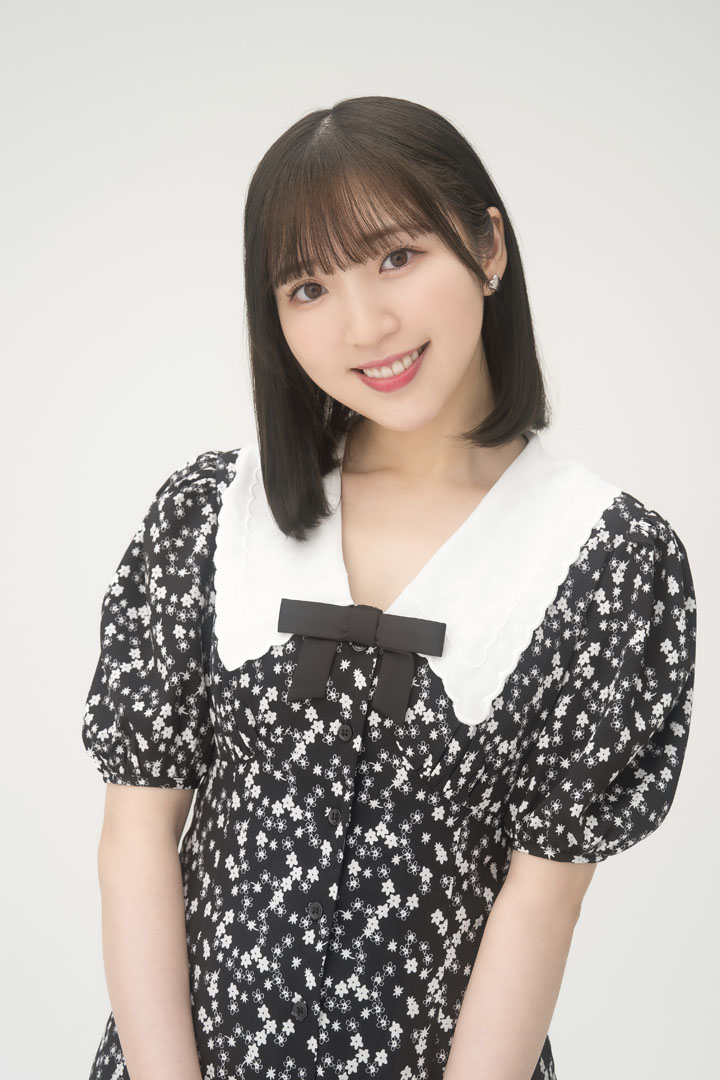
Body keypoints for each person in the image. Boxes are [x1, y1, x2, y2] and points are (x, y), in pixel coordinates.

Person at [82, 96, 697, 1080]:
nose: (365, 325)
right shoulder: (213, 514)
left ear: (488, 247)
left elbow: (543, 901)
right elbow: (137, 833)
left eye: (397, 257)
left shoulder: (605, 560)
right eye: (308, 287)